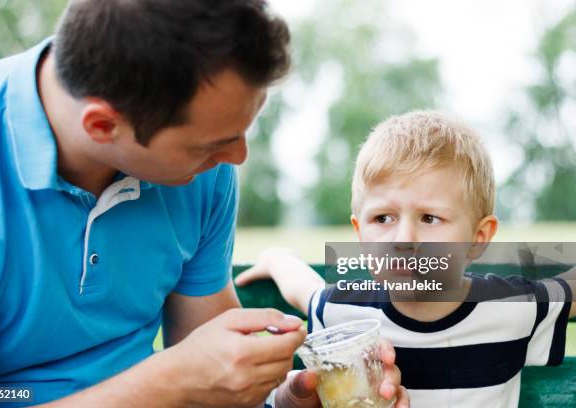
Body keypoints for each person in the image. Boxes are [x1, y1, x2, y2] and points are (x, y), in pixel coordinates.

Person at [0, 1, 409, 407]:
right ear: (102, 125)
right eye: (213, 144)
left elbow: (215, 371)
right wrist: (168, 380)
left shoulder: (200, 170)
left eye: (241, 132)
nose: (236, 158)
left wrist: (287, 398)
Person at [236, 110, 575, 407]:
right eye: (382, 219)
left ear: (478, 238)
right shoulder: (344, 315)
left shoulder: (511, 307)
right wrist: (277, 258)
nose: (402, 240)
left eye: (429, 218)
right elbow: (304, 288)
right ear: (359, 234)